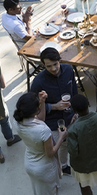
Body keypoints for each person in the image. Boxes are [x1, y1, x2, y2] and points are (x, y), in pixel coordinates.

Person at [14, 91, 67, 195]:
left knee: (37, 193)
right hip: (44, 168)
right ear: (35, 111)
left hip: (30, 163)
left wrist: (42, 102)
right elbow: (50, 153)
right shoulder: (43, 130)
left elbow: (40, 119)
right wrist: (61, 137)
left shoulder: (19, 121)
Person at [30, 47, 79, 175]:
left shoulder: (68, 70)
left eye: (55, 64)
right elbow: (32, 107)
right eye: (49, 66)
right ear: (43, 65)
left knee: (67, 144)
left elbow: (74, 90)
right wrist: (53, 107)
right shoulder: (38, 82)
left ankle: (64, 165)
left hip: (70, 116)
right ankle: (59, 168)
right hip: (52, 123)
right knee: (56, 147)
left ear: (60, 60)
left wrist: (76, 110)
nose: (53, 69)